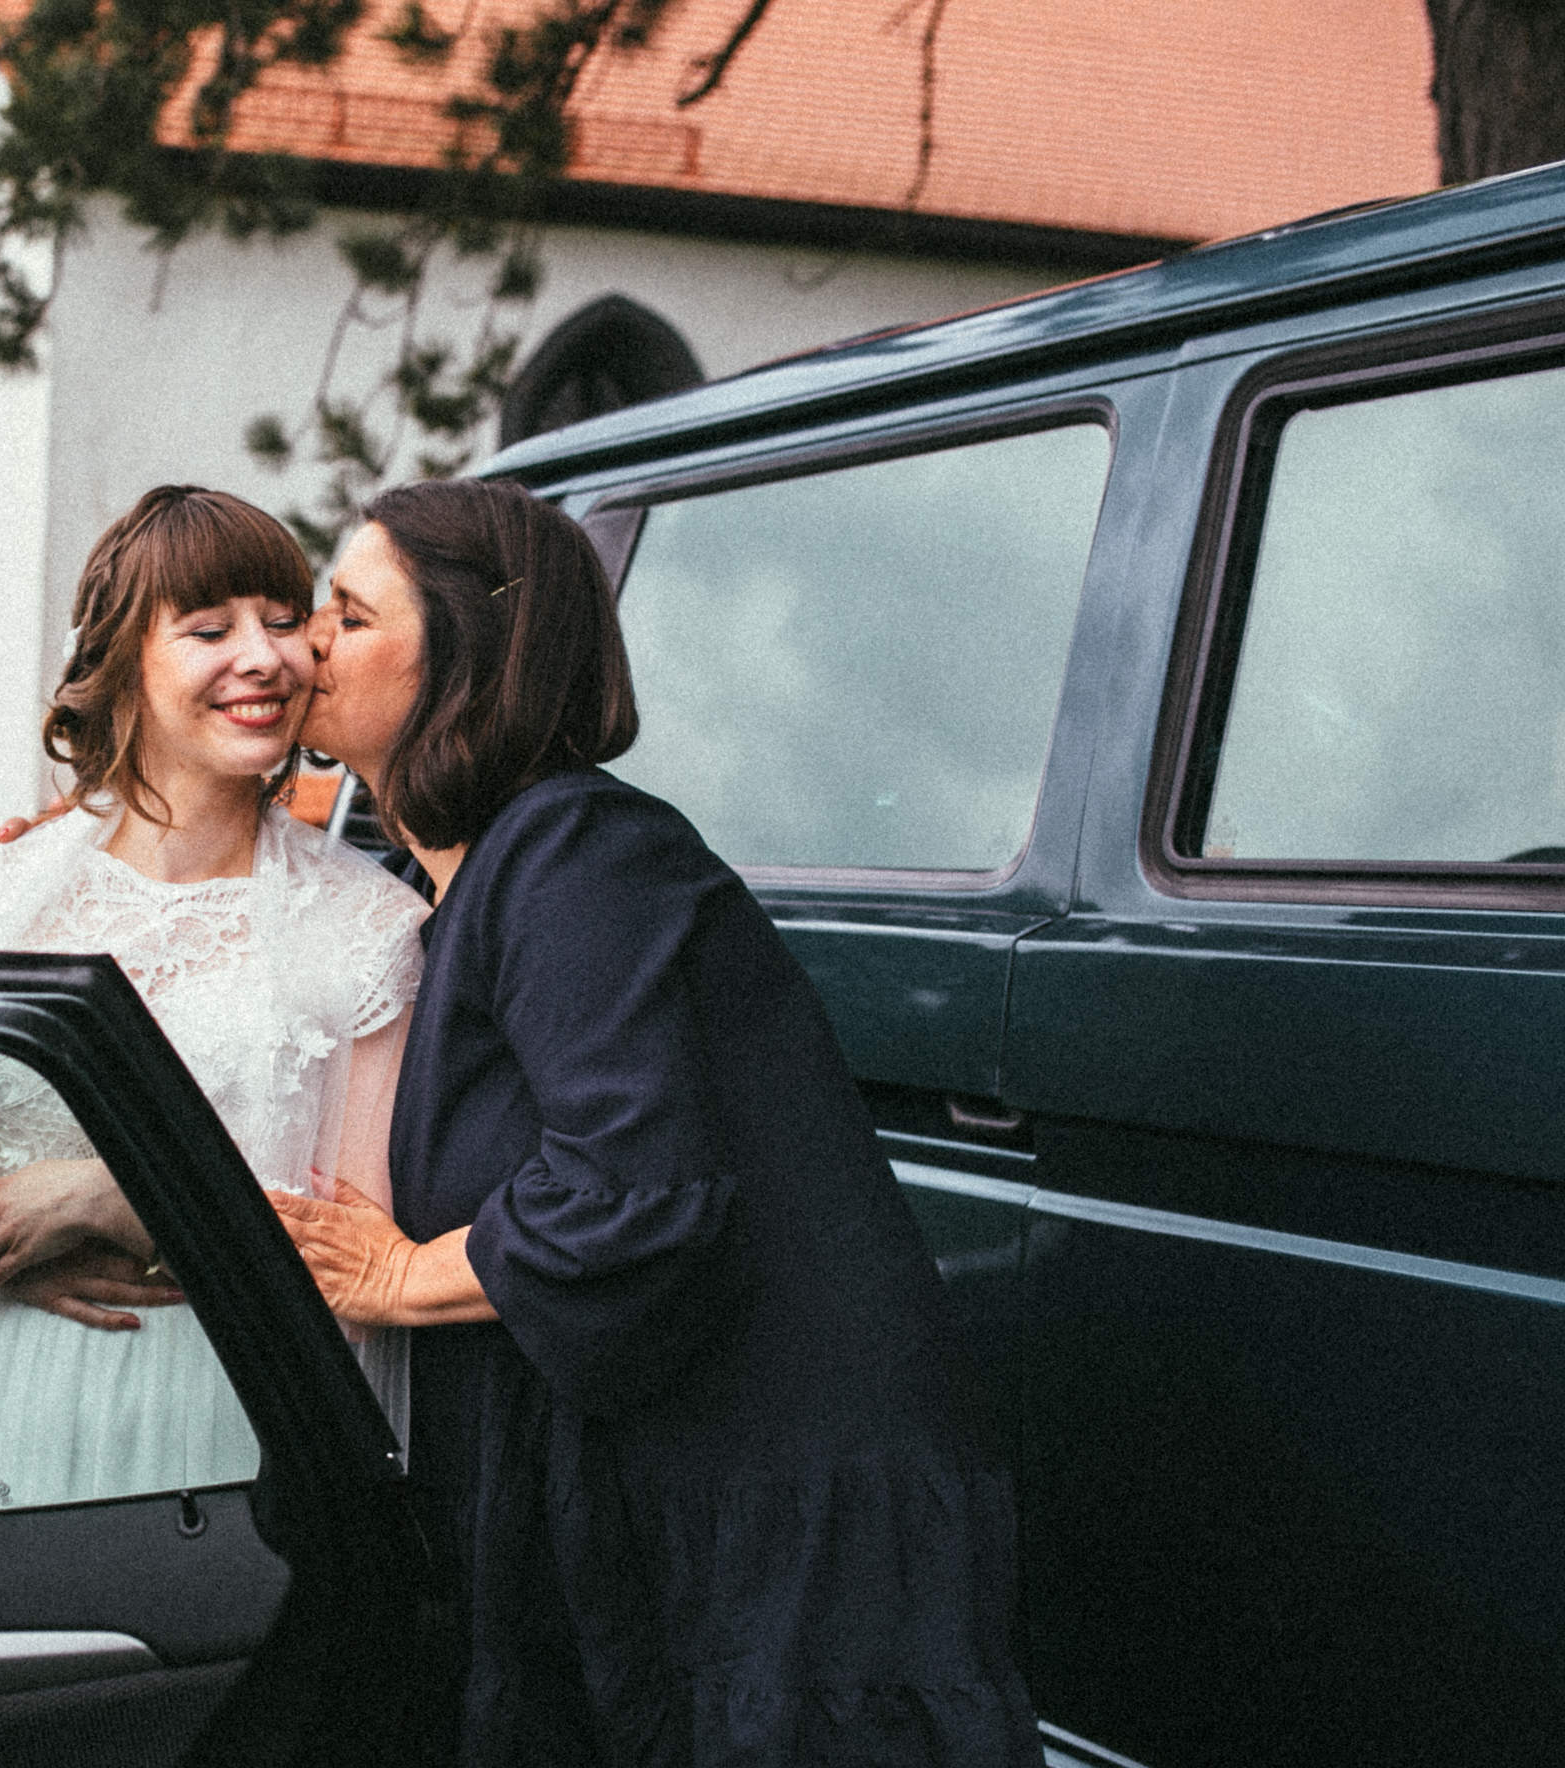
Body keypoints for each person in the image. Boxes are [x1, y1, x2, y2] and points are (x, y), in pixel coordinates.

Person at [267, 478, 1042, 1767]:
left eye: (349, 615)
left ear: (468, 656)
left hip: (778, 1519)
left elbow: (630, 1188)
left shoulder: (576, 852)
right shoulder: (434, 888)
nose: (307, 645)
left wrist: (404, 1276)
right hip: (655, 1509)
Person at [0, 485, 426, 1522]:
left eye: (284, 621)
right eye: (209, 629)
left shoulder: (368, 927)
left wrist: (119, 1199)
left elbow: (364, 1260)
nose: (264, 657)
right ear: (123, 661)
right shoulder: (0, 890)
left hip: (224, 1419)